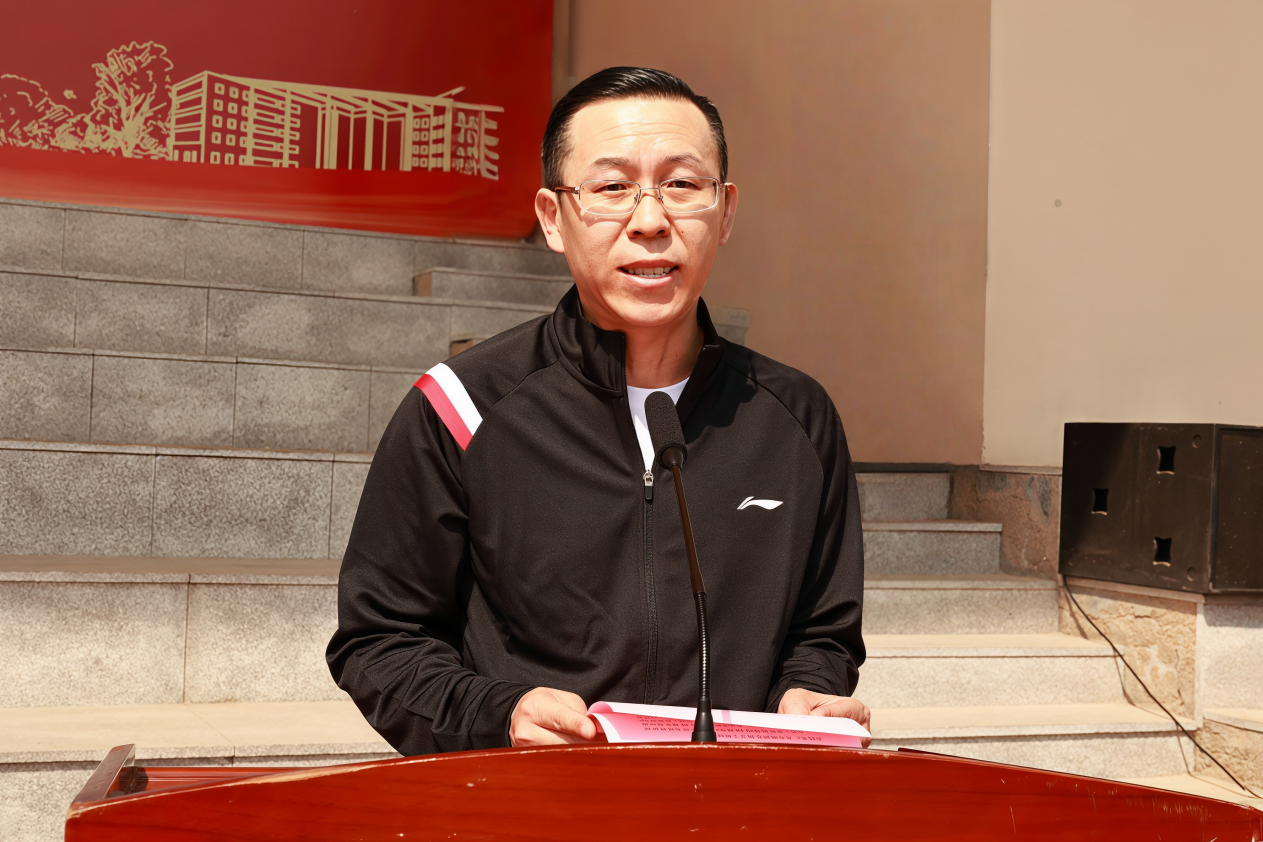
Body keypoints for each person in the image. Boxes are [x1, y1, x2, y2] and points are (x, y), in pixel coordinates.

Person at [327, 67, 868, 754]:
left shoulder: (796, 419)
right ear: (553, 218)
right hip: (531, 799)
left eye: (682, 185)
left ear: (725, 211)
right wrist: (498, 714)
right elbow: (379, 640)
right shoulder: (462, 407)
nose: (651, 221)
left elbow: (821, 633)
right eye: (612, 188)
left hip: (731, 797)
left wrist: (807, 694)